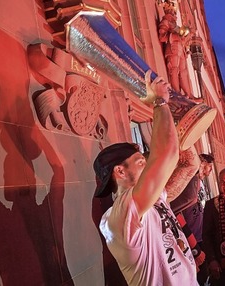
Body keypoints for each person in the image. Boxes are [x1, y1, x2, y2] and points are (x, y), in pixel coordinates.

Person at [93, 73, 199, 285]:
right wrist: (159, 102)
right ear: (120, 172)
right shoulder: (120, 215)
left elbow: (189, 164)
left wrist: (181, 112)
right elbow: (168, 154)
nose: (149, 165)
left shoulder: (154, 199)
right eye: (141, 162)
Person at [170, 153, 214, 285]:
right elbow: (175, 213)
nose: (210, 171)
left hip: (200, 237)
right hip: (191, 240)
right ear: (201, 164)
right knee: (200, 276)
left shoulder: (199, 183)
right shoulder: (190, 183)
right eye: (209, 167)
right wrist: (194, 247)